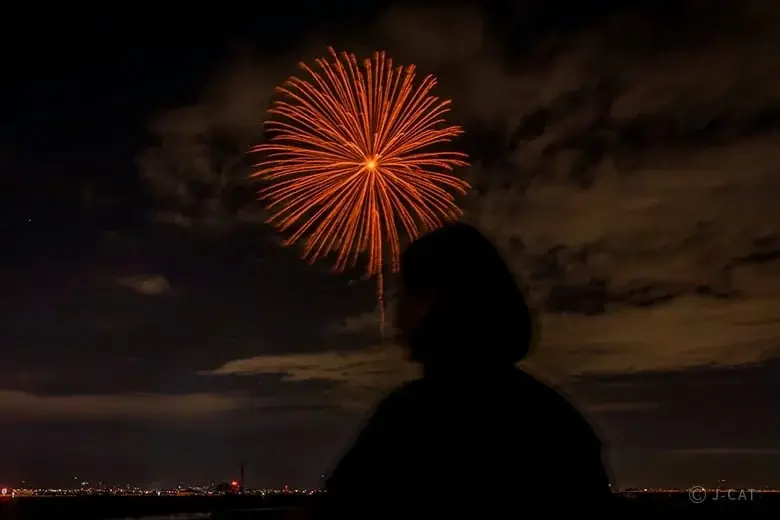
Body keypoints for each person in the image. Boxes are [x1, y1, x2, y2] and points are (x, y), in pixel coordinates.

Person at [314, 222, 615, 518]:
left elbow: (342, 513)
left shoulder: (412, 417)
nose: (397, 313)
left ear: (438, 303)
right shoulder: (555, 418)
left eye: (407, 295)